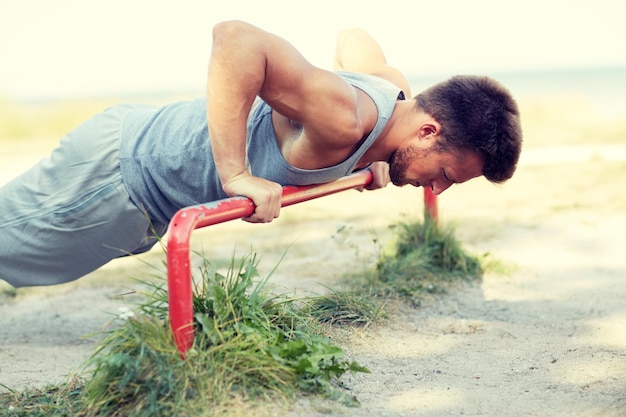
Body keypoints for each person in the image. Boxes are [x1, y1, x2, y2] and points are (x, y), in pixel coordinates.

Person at [0, 20, 522, 288]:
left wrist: (378, 156)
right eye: (447, 175)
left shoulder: (393, 93)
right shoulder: (346, 116)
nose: (437, 190)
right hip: (114, 179)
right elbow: (235, 40)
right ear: (429, 132)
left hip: (135, 168)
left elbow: (352, 37)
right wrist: (236, 174)